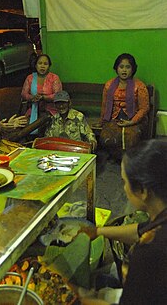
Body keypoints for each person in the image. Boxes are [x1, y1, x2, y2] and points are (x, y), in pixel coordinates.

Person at [79, 139, 167, 305]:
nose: (124, 189)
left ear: (142, 191)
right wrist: (98, 231)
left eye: (124, 182)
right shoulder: (160, 218)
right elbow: (140, 231)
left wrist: (83, 298)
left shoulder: (150, 253)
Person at [99, 53, 149, 159]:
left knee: (131, 137)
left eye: (128, 67)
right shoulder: (109, 85)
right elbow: (104, 105)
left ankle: (129, 160)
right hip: (114, 119)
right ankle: (117, 158)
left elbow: (144, 108)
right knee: (106, 136)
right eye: (121, 67)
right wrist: (102, 122)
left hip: (134, 120)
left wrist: (131, 121)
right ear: (116, 68)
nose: (124, 70)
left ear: (133, 69)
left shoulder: (139, 86)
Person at [21, 54, 62, 126]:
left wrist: (43, 98)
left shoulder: (54, 78)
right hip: (33, 109)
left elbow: (58, 95)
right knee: (25, 124)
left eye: (45, 64)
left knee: (43, 122)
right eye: (40, 63)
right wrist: (32, 98)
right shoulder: (30, 78)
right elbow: (24, 94)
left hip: (51, 111)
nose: (42, 66)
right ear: (36, 65)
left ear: (49, 66)